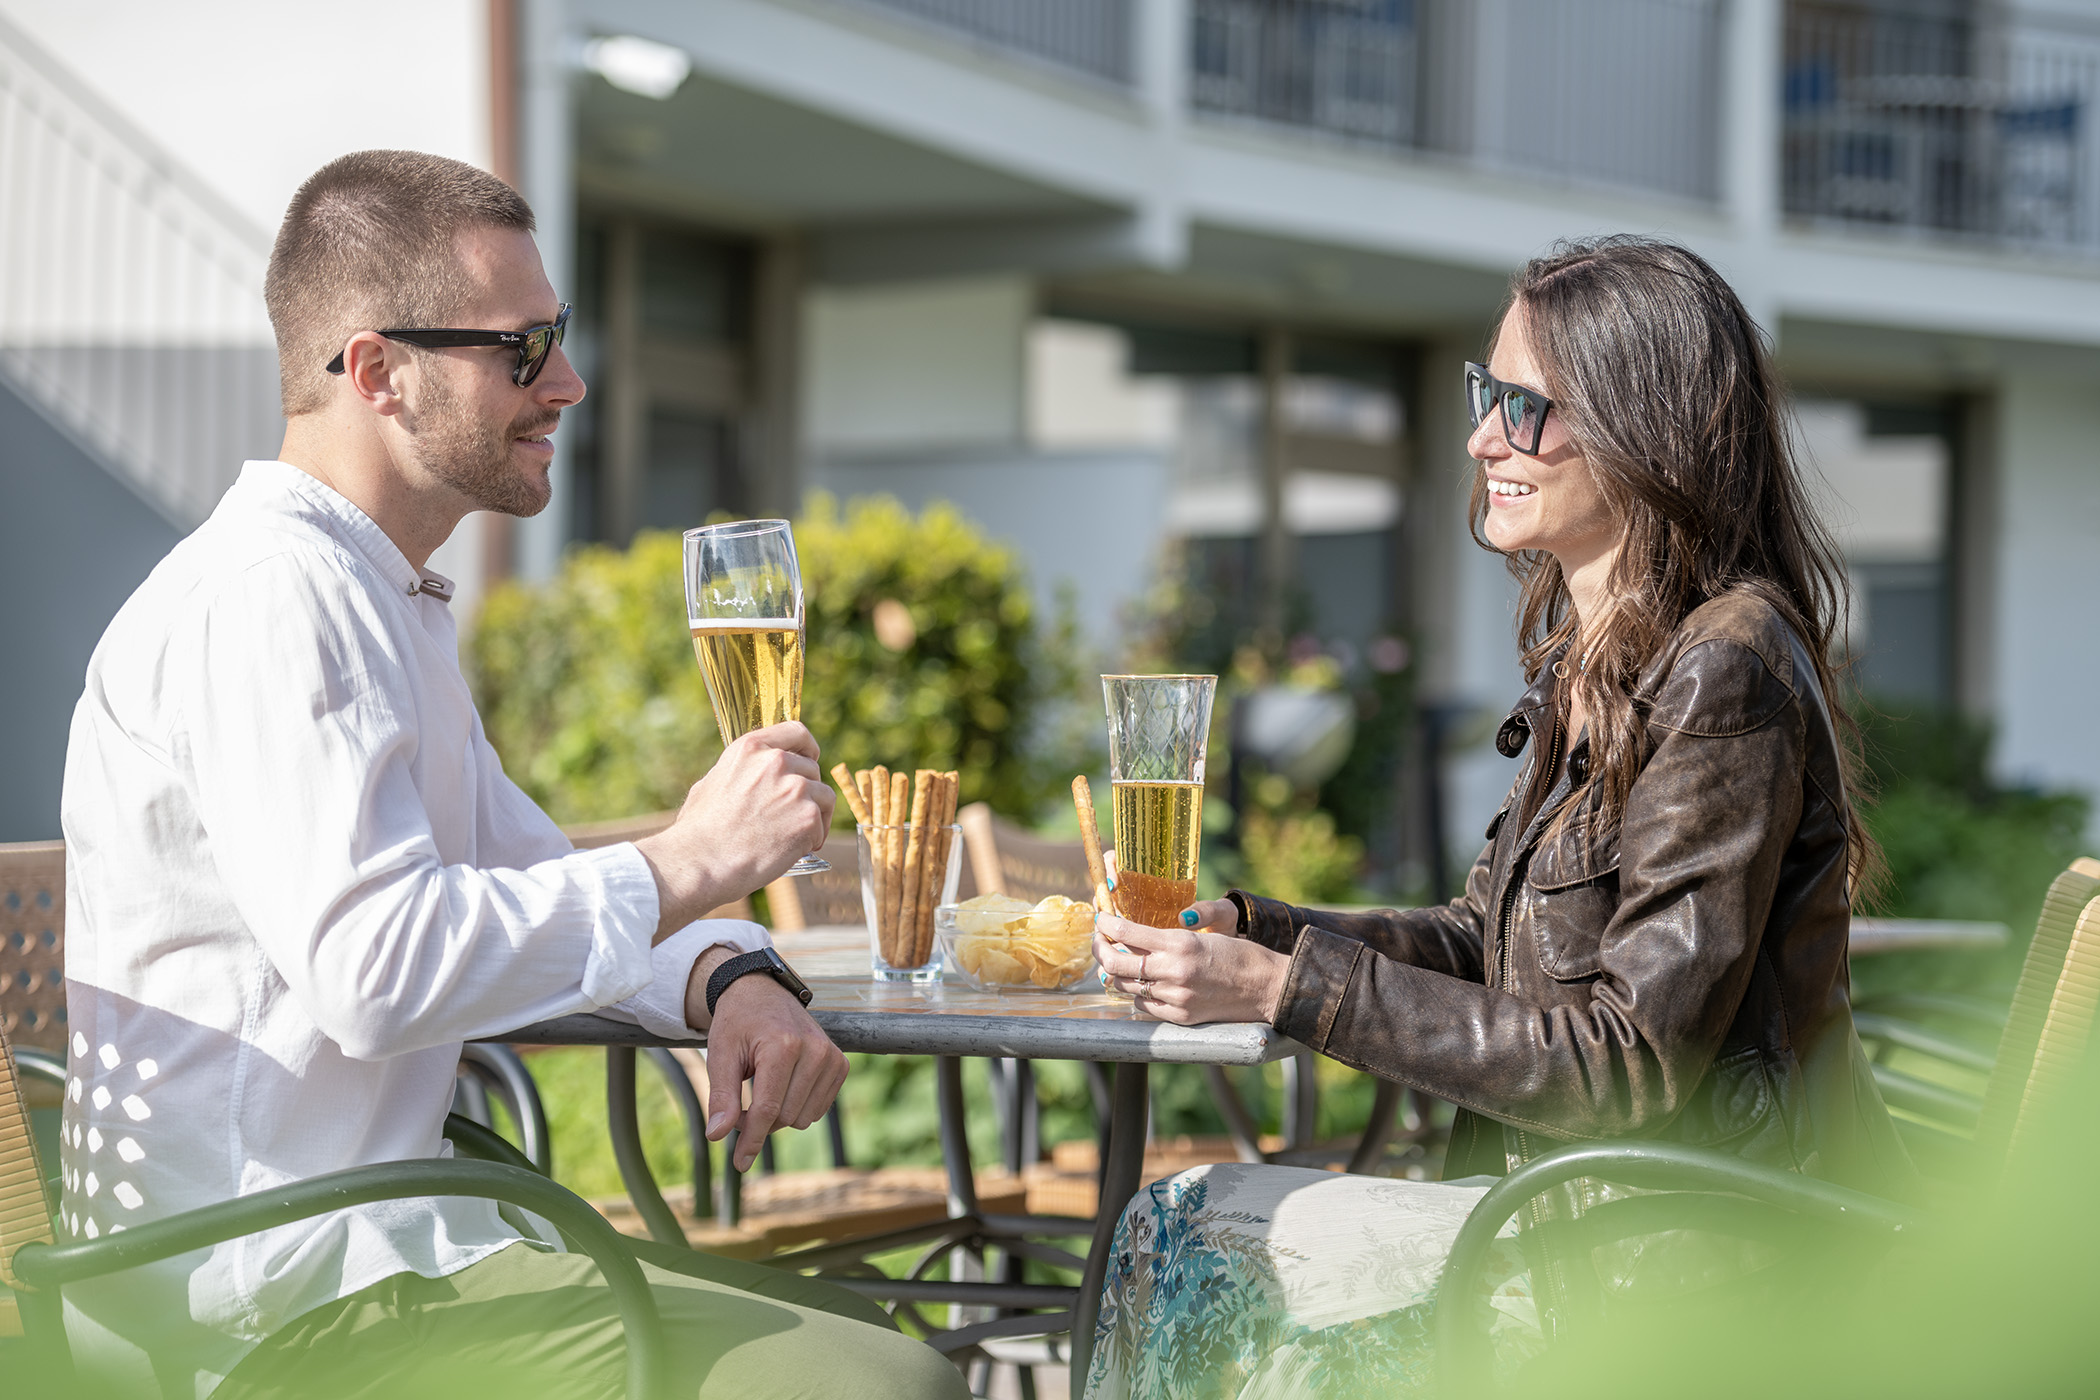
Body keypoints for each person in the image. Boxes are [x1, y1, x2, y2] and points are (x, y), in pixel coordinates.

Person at [58, 149, 966, 1400]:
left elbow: (533, 884)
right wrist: (693, 858)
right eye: (522, 348)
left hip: (386, 1250)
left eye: (562, 337)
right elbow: (377, 973)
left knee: (868, 1335)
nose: (571, 382)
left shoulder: (378, 598)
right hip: (280, 1302)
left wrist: (723, 967)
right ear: (377, 371)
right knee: (883, 1383)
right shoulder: (275, 600)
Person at [1085, 236, 1917, 1398]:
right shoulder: (1610, 658)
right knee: (1199, 1221)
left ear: (1644, 427)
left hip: (1692, 1262)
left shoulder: (1725, 668)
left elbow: (1632, 1062)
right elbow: (1489, 937)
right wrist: (1258, 931)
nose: (1483, 439)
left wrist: (1286, 993)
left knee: (1180, 1228)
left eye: (1522, 407)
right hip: (1579, 1216)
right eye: (1488, 398)